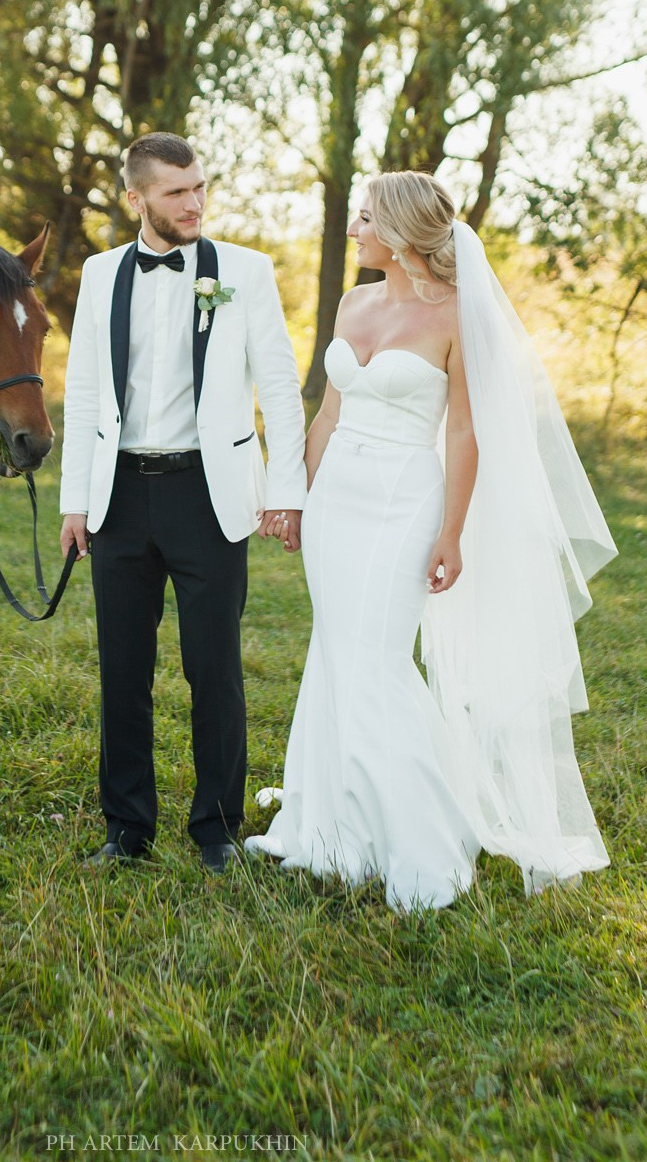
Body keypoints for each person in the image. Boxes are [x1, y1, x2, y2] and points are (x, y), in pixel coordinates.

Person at [247, 171, 617, 907]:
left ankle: (420, 835)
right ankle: (327, 822)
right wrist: (297, 500)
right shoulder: (354, 301)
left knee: (377, 659)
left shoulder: (455, 315)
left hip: (403, 499)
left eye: (363, 218)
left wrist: (450, 531)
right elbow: (326, 414)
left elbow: (464, 431)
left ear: (401, 231)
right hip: (338, 498)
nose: (352, 229)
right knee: (333, 649)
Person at [59, 133, 307, 872]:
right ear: (136, 200)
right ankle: (127, 830)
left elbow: (281, 386)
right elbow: (81, 392)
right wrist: (76, 501)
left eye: (199, 187)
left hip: (211, 493)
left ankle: (217, 831)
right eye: (175, 192)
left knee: (214, 669)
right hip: (120, 494)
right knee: (122, 670)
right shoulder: (100, 274)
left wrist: (287, 490)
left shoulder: (246, 272)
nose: (193, 202)